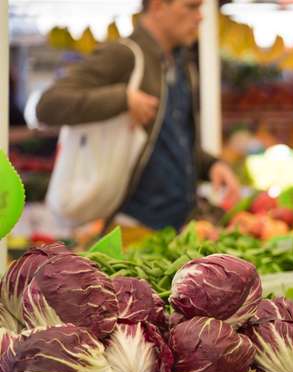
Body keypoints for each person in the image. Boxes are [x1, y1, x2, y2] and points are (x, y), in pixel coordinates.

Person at [36, 0, 240, 231]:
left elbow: (172, 141)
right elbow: (48, 105)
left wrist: (211, 165)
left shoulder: (182, 67)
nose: (200, 17)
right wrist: (122, 99)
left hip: (178, 228)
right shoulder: (124, 55)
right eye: (191, 7)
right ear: (157, 6)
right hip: (130, 227)